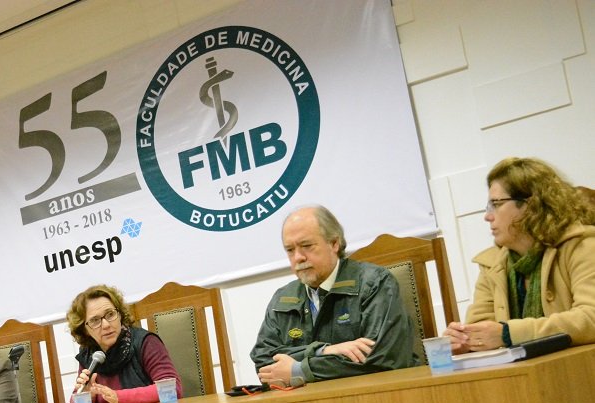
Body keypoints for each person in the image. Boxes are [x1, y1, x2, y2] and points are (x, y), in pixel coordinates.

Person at [251, 206, 416, 386]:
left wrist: (300, 370)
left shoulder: (375, 283)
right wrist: (323, 351)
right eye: (290, 250)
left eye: (307, 246)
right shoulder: (282, 297)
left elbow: (382, 357)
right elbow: (264, 362)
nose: (298, 257)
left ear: (334, 243)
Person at [444, 157, 595, 352]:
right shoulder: (492, 263)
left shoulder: (583, 246)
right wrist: (463, 340)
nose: (487, 216)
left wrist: (509, 334)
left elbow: (591, 317)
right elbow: (481, 327)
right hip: (523, 377)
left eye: (496, 205)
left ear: (530, 206)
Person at [67, 284, 181, 403]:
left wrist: (119, 398)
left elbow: (172, 388)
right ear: (85, 329)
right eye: (95, 320)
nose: (105, 325)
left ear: (120, 315)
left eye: (110, 314)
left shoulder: (146, 342)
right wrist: (86, 395)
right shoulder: (91, 355)